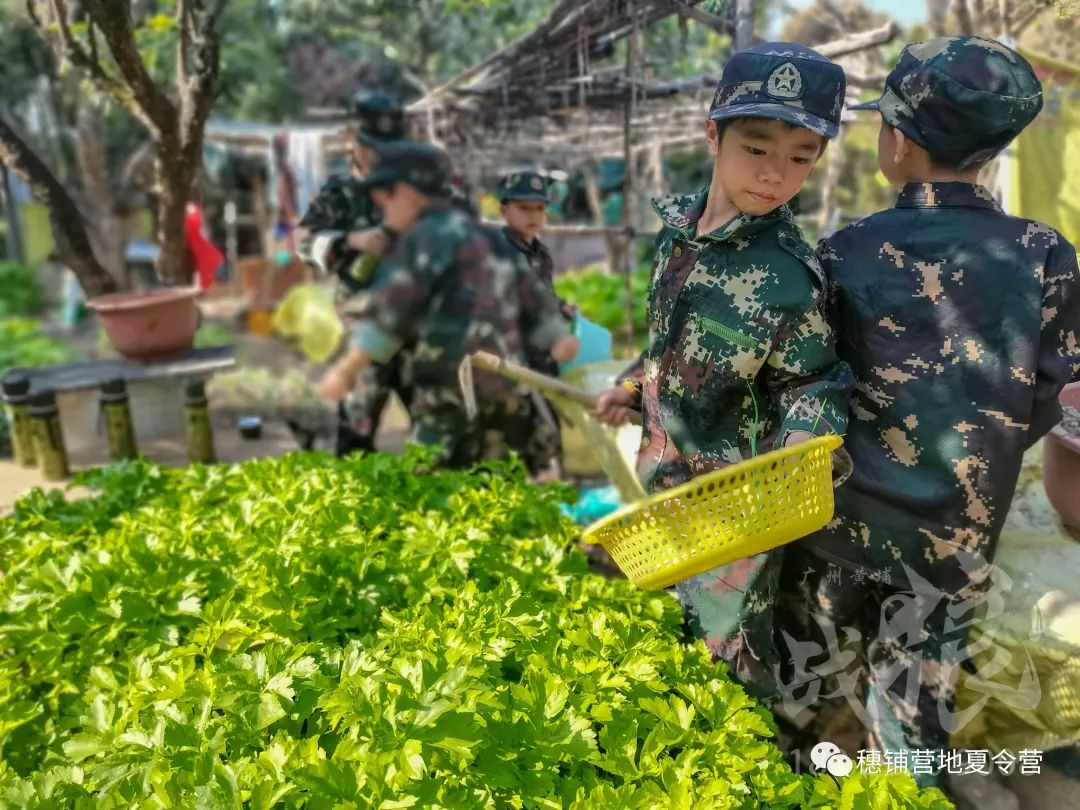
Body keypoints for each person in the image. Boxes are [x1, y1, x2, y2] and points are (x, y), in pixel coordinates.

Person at [775, 36, 1080, 785]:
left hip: (834, 528)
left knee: (805, 702)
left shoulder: (848, 248)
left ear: (899, 142)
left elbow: (805, 371)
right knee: (912, 730)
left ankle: (803, 780)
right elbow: (1056, 390)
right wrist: (990, 430)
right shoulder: (1044, 252)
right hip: (953, 544)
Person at [592, 44, 852, 694]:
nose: (775, 175)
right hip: (661, 488)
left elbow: (814, 382)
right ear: (713, 134)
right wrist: (631, 386)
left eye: (801, 158)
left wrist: (800, 455)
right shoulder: (675, 234)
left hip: (735, 514)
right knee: (661, 653)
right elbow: (665, 338)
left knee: (723, 669)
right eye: (757, 148)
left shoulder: (789, 274)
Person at [318, 141, 579, 470]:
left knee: (437, 486)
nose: (382, 207)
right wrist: (557, 337)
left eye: (385, 198)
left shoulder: (420, 243)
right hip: (505, 389)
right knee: (496, 483)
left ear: (408, 194)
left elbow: (388, 317)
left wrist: (345, 372)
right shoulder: (488, 238)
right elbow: (531, 295)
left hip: (447, 393)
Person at [295, 89, 412, 457]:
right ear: (352, 141)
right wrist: (351, 240)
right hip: (367, 326)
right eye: (372, 145)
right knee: (358, 430)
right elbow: (302, 242)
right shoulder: (341, 193)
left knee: (441, 433)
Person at [498, 170, 574, 474]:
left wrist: (562, 307)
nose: (533, 216)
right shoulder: (499, 254)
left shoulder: (539, 252)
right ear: (504, 211)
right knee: (513, 430)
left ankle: (545, 483)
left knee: (547, 426)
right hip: (511, 355)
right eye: (524, 208)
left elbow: (541, 295)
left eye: (539, 208)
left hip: (542, 354)